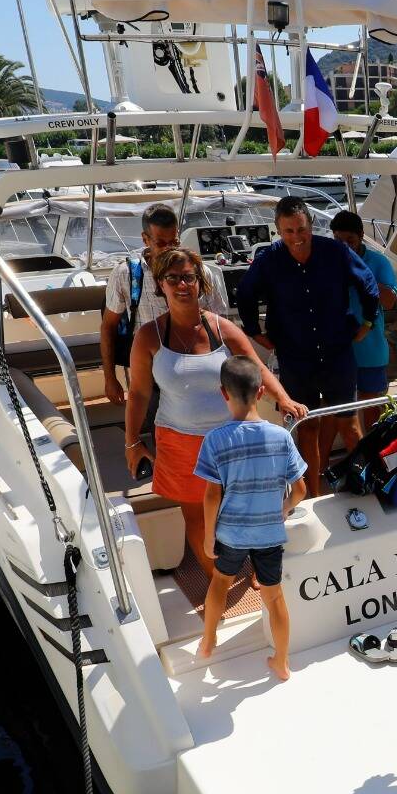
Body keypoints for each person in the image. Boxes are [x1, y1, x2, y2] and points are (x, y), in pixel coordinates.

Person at [124, 246, 304, 583]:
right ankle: (219, 579)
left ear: (200, 283)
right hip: (178, 442)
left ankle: (254, 570)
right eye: (173, 278)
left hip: (231, 439)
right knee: (198, 519)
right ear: (160, 284)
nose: (181, 284)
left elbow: (256, 366)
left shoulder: (222, 329)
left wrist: (284, 398)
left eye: (188, 277)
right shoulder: (148, 336)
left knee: (245, 509)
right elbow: (138, 393)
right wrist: (131, 442)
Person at [235, 196, 380, 500]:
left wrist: (368, 322)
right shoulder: (269, 260)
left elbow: (368, 283)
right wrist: (255, 332)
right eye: (289, 231)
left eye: (301, 230)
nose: (296, 238)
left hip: (337, 351)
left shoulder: (335, 251)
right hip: (295, 356)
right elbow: (245, 294)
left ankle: (370, 488)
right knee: (308, 427)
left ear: (310, 226)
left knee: (350, 426)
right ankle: (313, 496)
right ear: (279, 231)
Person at [196, 355, 307, 680]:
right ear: (261, 393)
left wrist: (207, 536)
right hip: (269, 534)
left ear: (223, 393)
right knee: (274, 598)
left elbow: (212, 495)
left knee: (220, 583)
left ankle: (208, 639)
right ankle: (282, 661)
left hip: (230, 534)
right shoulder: (281, 437)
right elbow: (299, 490)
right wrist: (282, 511)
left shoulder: (215, 441)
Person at [100, 205, 180, 407]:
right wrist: (110, 378)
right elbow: (108, 326)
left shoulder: (197, 272)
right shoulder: (124, 274)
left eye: (174, 242)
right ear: (145, 239)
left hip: (189, 365)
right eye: (161, 243)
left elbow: (217, 321)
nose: (169, 250)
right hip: (148, 370)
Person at [330, 210, 397, 434]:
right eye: (338, 241)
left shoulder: (378, 262)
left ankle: (371, 458)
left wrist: (363, 273)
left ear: (361, 235)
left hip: (370, 350)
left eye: (350, 240)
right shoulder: (328, 261)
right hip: (338, 350)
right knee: (337, 408)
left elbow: (389, 301)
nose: (345, 246)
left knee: (370, 407)